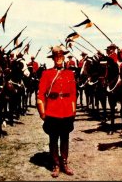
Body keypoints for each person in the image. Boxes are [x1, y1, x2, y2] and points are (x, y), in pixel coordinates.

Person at [37, 45, 76, 178]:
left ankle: (64, 162)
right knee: (53, 138)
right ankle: (56, 164)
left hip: (66, 110)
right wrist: (42, 112)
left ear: (63, 57)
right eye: (56, 56)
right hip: (52, 110)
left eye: (61, 56)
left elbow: (73, 94)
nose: (59, 58)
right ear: (53, 58)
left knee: (65, 137)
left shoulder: (70, 73)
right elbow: (41, 94)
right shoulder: (46, 73)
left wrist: (73, 111)